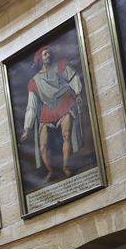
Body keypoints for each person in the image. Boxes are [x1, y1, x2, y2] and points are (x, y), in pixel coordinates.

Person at [19, 43, 86, 183]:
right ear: (40, 59)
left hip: (64, 102)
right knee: (43, 146)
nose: (48, 55)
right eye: (45, 54)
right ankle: (50, 170)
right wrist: (26, 128)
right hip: (48, 109)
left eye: (49, 53)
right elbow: (31, 106)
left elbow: (73, 77)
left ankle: (66, 166)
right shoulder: (34, 81)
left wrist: (78, 93)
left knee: (66, 135)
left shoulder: (59, 67)